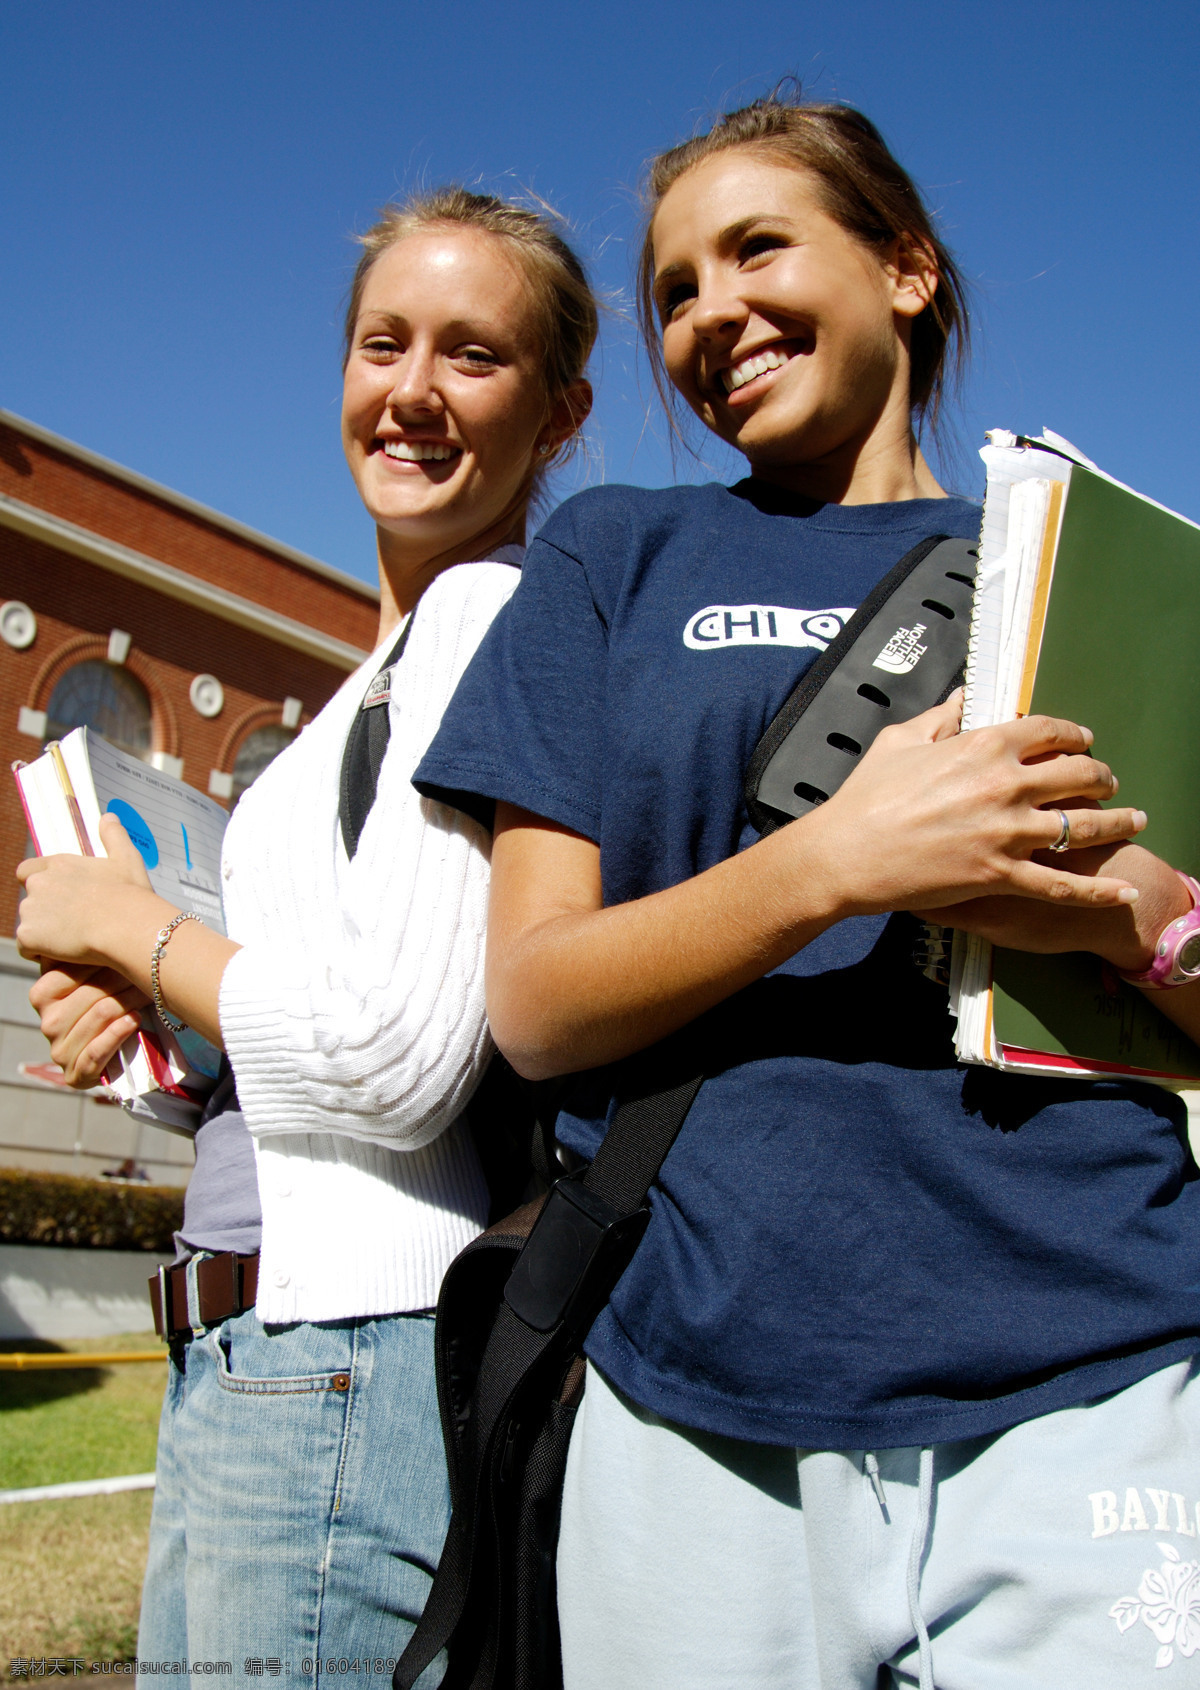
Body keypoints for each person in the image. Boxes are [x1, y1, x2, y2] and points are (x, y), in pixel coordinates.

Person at [411, 98, 1200, 1688]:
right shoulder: (612, 559)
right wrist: (839, 861)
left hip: (1104, 1372)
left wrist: (1122, 915)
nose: (713, 314)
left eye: (757, 246)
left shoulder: (1100, 568)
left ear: (905, 266)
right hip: (694, 1390)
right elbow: (538, 1002)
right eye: (675, 292)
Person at [16, 186, 594, 1683]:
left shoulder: (481, 618)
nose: (410, 389)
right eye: (382, 341)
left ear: (560, 411)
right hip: (251, 1351)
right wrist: (166, 1036)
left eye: (473, 356)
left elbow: (400, 1060)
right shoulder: (372, 679)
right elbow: (325, 1021)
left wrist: (141, 935)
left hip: (345, 1353)